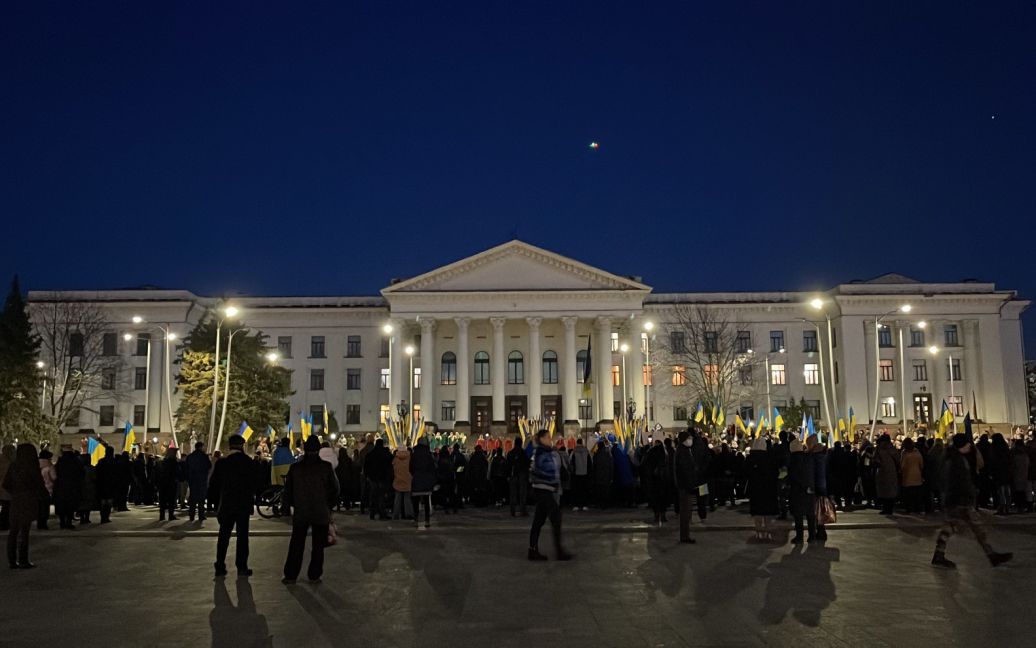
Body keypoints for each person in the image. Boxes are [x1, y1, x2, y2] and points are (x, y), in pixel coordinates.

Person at [932, 433, 1012, 569]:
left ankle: (939, 554)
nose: (969, 445)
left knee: (950, 527)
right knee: (977, 527)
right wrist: (969, 495)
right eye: (967, 443)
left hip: (954, 500)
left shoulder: (950, 458)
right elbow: (960, 481)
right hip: (961, 500)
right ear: (961, 445)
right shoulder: (956, 461)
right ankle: (991, 554)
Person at [282, 436, 340, 584]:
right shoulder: (326, 467)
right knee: (318, 546)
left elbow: (288, 491)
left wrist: (291, 505)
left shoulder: (295, 468)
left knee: (296, 543)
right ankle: (314, 574)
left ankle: (291, 574)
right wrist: (328, 505)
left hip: (301, 510)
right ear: (319, 449)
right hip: (320, 511)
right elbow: (335, 489)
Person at [209, 435, 257, 577]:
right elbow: (254, 484)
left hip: (227, 504)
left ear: (230, 446)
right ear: (242, 446)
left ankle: (220, 565)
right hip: (243, 505)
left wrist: (215, 505)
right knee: (242, 537)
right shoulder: (248, 462)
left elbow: (214, 485)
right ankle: (242, 567)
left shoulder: (222, 463)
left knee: (224, 536)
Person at [527, 429, 572, 561]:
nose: (550, 439)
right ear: (541, 439)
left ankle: (532, 550)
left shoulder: (548, 452)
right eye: (547, 437)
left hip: (547, 489)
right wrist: (554, 478)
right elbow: (542, 470)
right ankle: (559, 552)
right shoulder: (541, 453)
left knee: (538, 520)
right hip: (543, 489)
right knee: (556, 517)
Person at [4, 444, 47, 568]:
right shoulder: (31, 467)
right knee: (24, 531)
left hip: (16, 499)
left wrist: (15, 492)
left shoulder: (13, 466)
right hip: (28, 500)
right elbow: (40, 484)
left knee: (13, 531)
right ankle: (23, 559)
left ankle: (12, 560)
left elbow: (6, 484)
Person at [746, 435, 779, 541]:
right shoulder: (770, 458)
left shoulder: (750, 458)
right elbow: (776, 472)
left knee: (757, 513)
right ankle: (768, 532)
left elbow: (745, 472)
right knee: (767, 513)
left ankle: (759, 532)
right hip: (769, 489)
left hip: (755, 489)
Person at [788, 439, 816, 544]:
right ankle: (812, 536)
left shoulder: (792, 460)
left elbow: (792, 476)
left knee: (798, 516)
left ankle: (799, 537)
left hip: (797, 491)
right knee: (810, 515)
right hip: (809, 490)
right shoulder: (808, 458)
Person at [674, 429, 698, 544]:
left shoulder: (685, 450)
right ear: (684, 440)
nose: (691, 440)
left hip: (686, 485)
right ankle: (684, 536)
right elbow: (685, 470)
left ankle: (685, 535)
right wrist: (690, 484)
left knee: (687, 512)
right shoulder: (682, 452)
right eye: (689, 438)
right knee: (685, 512)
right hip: (685, 486)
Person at [53, 448, 84, 529]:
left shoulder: (60, 462)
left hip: (60, 486)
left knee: (61, 505)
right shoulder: (76, 462)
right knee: (70, 505)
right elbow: (81, 473)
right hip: (72, 487)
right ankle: (69, 522)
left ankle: (62, 522)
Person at [409, 437, 437, 528]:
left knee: (416, 501)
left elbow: (410, 467)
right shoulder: (428, 454)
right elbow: (432, 467)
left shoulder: (414, 454)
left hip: (417, 479)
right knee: (426, 501)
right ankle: (427, 520)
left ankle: (416, 520)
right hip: (426, 480)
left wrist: (414, 474)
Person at [640, 440, 669, 526]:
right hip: (662, 480)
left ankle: (657, 515)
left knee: (655, 498)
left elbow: (644, 465)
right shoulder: (664, 454)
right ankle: (662, 515)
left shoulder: (650, 453)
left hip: (653, 480)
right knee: (663, 498)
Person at [363, 439, 393, 520]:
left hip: (373, 478)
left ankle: (372, 513)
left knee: (373, 496)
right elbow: (390, 463)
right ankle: (382, 513)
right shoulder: (385, 453)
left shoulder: (370, 454)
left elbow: (366, 466)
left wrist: (367, 476)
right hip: (383, 477)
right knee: (381, 496)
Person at [186, 442, 213, 522]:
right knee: (201, 498)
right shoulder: (204, 456)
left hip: (192, 480)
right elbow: (209, 466)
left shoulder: (190, 456)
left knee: (193, 498)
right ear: (201, 447)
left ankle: (191, 515)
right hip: (202, 480)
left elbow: (186, 468)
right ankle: (201, 515)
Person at [873, 434, 900, 515]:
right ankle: (890, 509)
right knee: (891, 490)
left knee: (883, 490)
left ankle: (885, 508)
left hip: (881, 471)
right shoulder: (892, 448)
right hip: (891, 470)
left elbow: (875, 459)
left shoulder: (878, 448)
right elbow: (897, 459)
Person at [505, 436, 530, 516]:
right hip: (522, 475)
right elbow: (527, 464)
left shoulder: (510, 453)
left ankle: (513, 511)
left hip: (513, 475)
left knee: (513, 494)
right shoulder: (523, 453)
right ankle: (523, 510)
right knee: (522, 494)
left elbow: (507, 465)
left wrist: (508, 475)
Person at [899, 438, 924, 514]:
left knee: (908, 494)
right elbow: (921, 464)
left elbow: (903, 465)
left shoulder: (904, 453)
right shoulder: (917, 452)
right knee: (916, 493)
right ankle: (917, 508)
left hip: (907, 476)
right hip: (917, 475)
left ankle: (909, 508)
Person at [157, 447, 181, 521]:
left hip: (163, 483)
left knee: (163, 500)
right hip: (171, 483)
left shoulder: (163, 461)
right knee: (171, 500)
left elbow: (158, 472)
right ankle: (171, 515)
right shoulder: (174, 461)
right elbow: (177, 472)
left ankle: (162, 516)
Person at [94, 445, 117, 524]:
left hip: (102, 484)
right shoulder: (114, 461)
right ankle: (106, 517)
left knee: (103, 502)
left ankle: (103, 517)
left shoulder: (101, 461)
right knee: (109, 502)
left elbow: (97, 472)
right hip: (110, 484)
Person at [391, 444, 413, 520]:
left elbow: (393, 468)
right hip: (408, 480)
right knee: (407, 498)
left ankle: (396, 514)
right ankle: (409, 514)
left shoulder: (395, 459)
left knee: (397, 498)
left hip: (398, 479)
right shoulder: (410, 458)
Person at [37, 449, 56, 530]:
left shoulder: (35, 465)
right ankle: (43, 523)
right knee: (45, 507)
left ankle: (39, 522)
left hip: (37, 489)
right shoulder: (50, 466)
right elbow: (54, 477)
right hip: (48, 488)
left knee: (39, 507)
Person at [0, 444, 15, 531]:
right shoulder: (10, 462)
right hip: (6, 488)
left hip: (4, 487)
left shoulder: (3, 460)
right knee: (7, 506)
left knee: (6, 506)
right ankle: (5, 524)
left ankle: (4, 523)